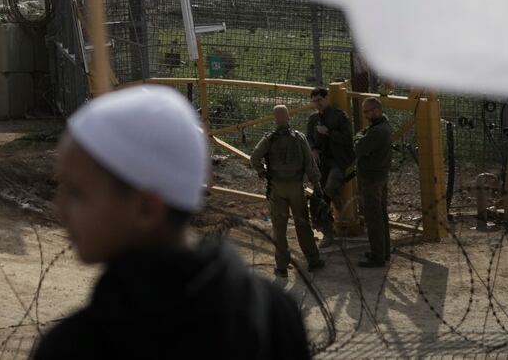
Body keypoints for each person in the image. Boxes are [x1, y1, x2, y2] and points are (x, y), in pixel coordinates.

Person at [33, 85, 309, 360]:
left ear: (146, 209)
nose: (59, 210)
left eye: (76, 192)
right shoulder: (275, 314)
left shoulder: (77, 347)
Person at [249, 105, 324, 277]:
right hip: (296, 187)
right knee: (303, 224)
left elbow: (254, 158)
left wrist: (262, 172)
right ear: (289, 117)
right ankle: (313, 260)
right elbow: (310, 164)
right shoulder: (299, 138)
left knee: (279, 228)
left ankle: (281, 266)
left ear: (275, 119)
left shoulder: (269, 139)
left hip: (277, 188)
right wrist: (316, 184)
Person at [306, 88, 354, 234]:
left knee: (330, 188)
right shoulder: (313, 119)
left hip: (339, 161)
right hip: (322, 162)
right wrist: (313, 149)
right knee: (319, 196)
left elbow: (347, 139)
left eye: (319, 100)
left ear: (327, 98)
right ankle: (327, 229)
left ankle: (345, 218)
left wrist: (328, 132)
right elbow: (309, 138)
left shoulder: (340, 117)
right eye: (314, 101)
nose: (317, 104)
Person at [354, 96, 392, 268]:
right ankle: (383, 252)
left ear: (376, 110)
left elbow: (358, 147)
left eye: (366, 112)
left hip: (372, 178)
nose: (365, 115)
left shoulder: (376, 131)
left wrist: (358, 136)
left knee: (374, 218)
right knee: (380, 216)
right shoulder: (382, 126)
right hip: (378, 176)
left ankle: (378, 256)